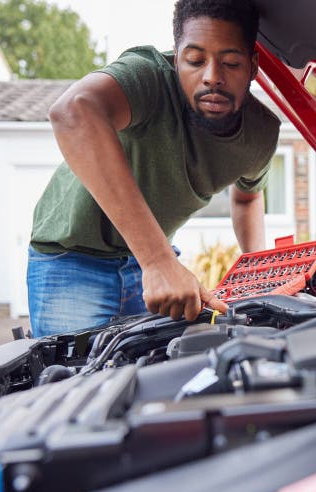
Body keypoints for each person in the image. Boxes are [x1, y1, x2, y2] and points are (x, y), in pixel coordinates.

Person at [27, 0, 279, 337]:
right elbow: (73, 112)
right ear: (176, 60)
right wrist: (158, 262)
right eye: (195, 61)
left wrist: (259, 274)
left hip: (150, 261)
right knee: (76, 384)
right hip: (72, 260)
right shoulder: (148, 78)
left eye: (231, 63)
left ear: (253, 65)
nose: (212, 77)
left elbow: (247, 199)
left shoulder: (260, 135)